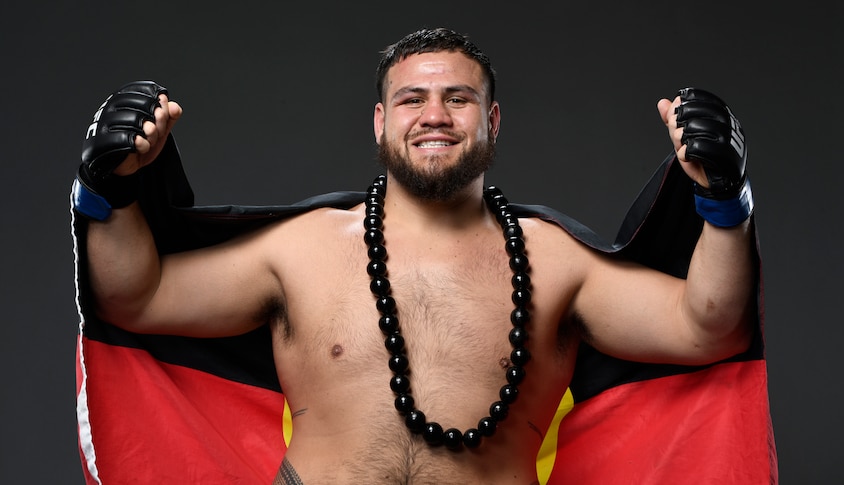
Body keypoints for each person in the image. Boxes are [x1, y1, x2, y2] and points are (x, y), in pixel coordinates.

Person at [72, 28, 766, 484]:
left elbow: (707, 326)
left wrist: (725, 200)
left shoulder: (554, 262)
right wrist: (111, 188)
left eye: (458, 98)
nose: (434, 115)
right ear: (382, 123)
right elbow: (138, 295)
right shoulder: (302, 248)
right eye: (412, 99)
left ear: (491, 122)